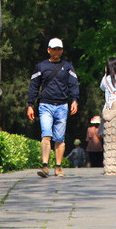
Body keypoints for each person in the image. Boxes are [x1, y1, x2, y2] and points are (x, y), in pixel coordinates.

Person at [27, 37, 80, 178]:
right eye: (54, 49)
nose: (56, 52)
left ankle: (58, 167)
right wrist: (30, 105)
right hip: (45, 105)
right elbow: (34, 86)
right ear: (48, 50)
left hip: (62, 106)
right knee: (46, 135)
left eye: (59, 49)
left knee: (60, 138)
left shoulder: (67, 67)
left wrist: (75, 100)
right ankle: (45, 166)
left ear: (62, 51)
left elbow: (74, 84)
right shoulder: (41, 66)